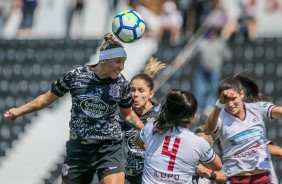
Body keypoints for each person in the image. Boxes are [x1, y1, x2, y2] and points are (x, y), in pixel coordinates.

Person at [4, 32, 145, 184]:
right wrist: (18, 111)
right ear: (104, 59)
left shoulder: (122, 84)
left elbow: (128, 115)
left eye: (124, 62)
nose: (122, 67)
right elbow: (44, 100)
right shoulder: (75, 76)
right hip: (79, 149)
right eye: (118, 62)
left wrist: (147, 131)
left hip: (108, 148)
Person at [204, 74, 282, 184]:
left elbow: (278, 112)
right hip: (237, 179)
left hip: (263, 178)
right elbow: (208, 130)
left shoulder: (257, 108)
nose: (230, 104)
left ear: (242, 94)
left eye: (233, 98)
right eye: (225, 100)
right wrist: (219, 105)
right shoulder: (220, 116)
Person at [134, 89, 223, 183]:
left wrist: (154, 151)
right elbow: (218, 165)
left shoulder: (151, 128)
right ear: (193, 117)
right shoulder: (198, 143)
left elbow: (137, 141)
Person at [116, 58, 165, 184]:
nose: (135, 94)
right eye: (132, 90)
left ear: (151, 94)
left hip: (155, 175)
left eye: (141, 91)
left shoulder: (162, 114)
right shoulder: (124, 115)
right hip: (130, 177)